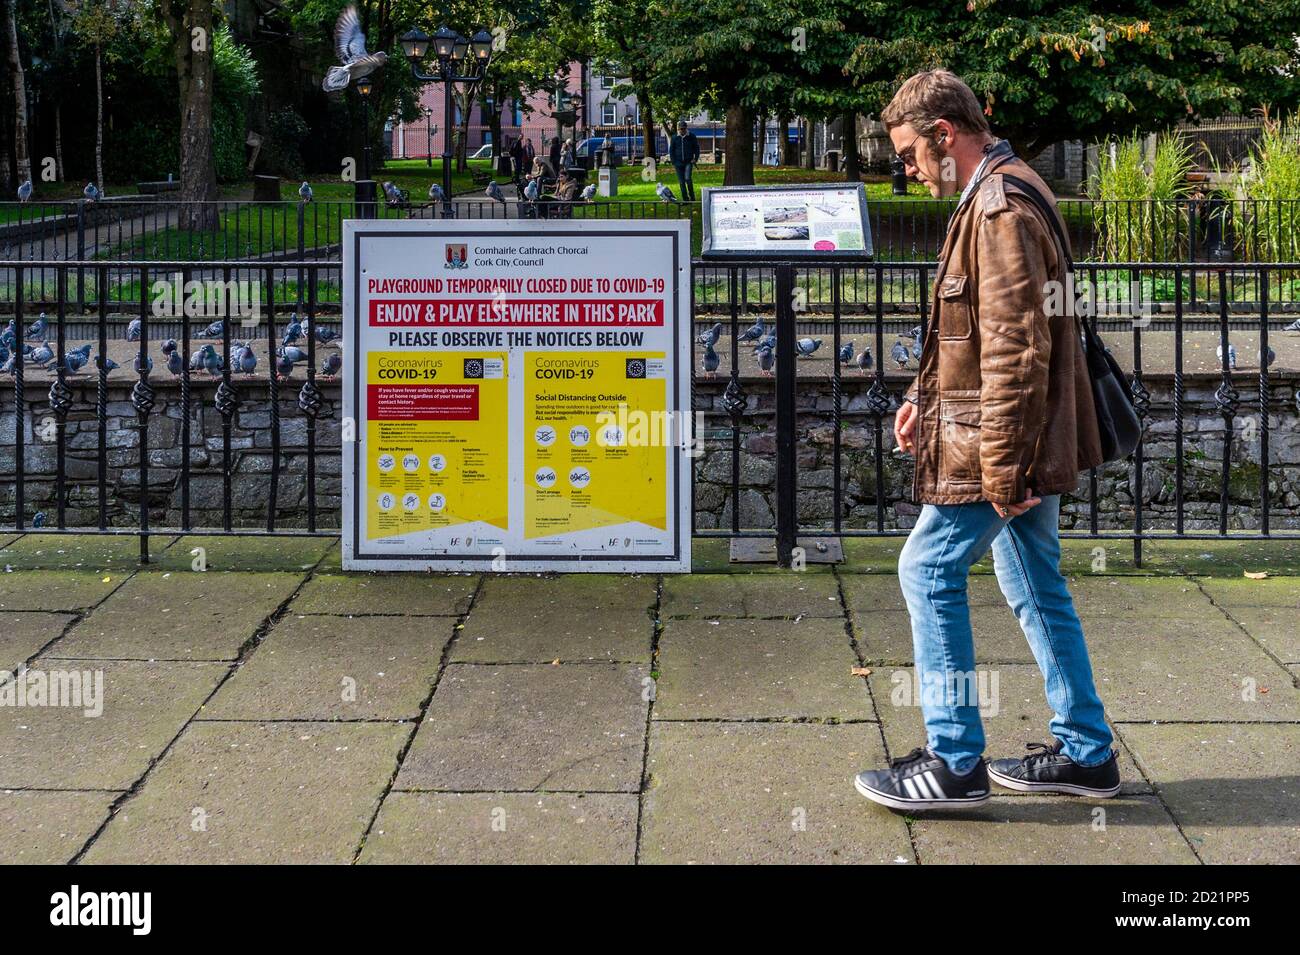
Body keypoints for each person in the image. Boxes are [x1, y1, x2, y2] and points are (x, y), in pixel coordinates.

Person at [853, 69, 1119, 811]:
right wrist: (919, 397)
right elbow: (971, 335)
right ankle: (1087, 751)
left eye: (909, 153)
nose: (904, 168)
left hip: (1002, 447)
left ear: (946, 136)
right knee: (1032, 581)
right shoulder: (1001, 190)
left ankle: (954, 761)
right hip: (1010, 438)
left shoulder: (999, 209)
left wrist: (1004, 471)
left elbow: (1016, 352)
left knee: (926, 569)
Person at [669, 121, 700, 201]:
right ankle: (685, 199)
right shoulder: (674, 137)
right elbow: (671, 150)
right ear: (678, 129)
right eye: (680, 129)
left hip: (688, 162)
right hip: (678, 163)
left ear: (686, 128)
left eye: (683, 129)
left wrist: (695, 158)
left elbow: (696, 148)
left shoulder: (691, 136)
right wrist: (673, 161)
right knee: (681, 182)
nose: (682, 130)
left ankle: (692, 197)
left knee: (688, 179)